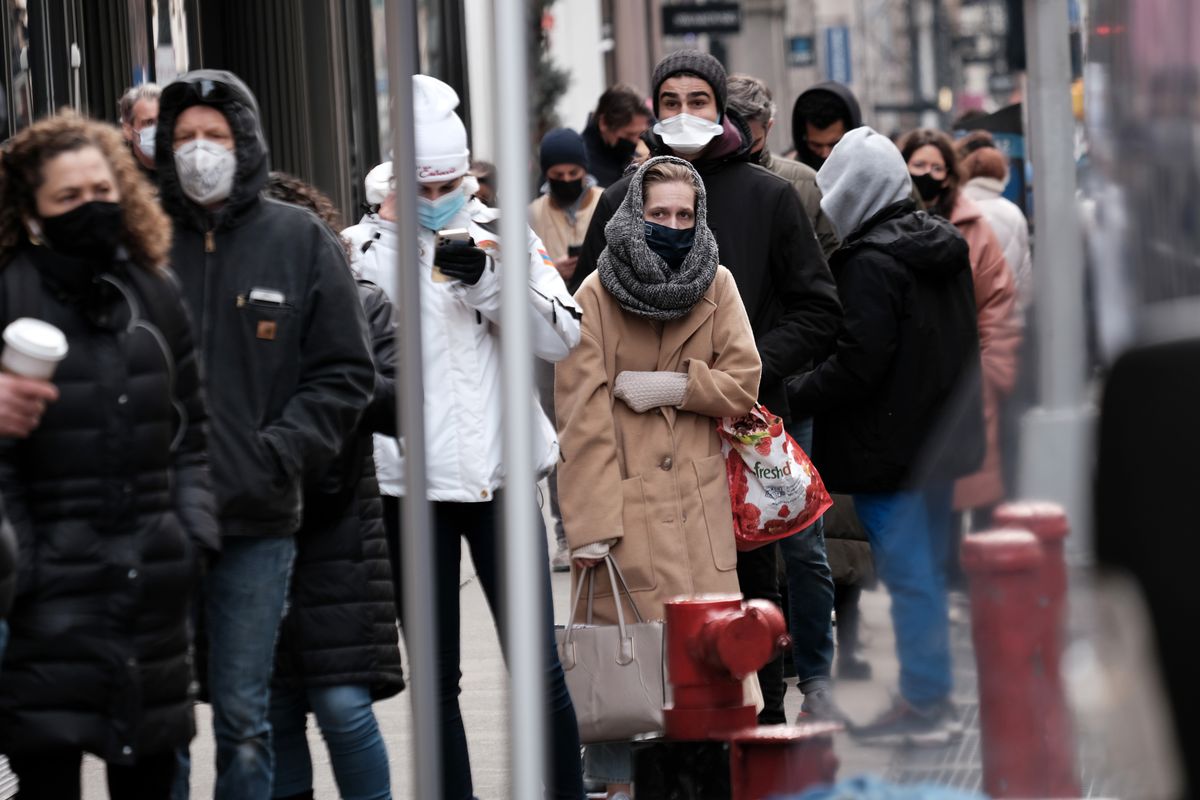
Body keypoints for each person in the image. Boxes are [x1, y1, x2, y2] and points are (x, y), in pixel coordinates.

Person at [574, 49, 842, 724]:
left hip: (748, 427)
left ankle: (767, 717)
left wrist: (738, 373)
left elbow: (819, 309)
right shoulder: (619, 200)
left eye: (699, 100)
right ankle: (670, 734)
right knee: (658, 609)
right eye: (670, 101)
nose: (685, 113)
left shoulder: (770, 193)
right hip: (646, 451)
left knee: (763, 581)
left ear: (721, 109)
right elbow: (576, 324)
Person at [155, 70, 376, 799]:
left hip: (257, 519)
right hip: (155, 520)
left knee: (245, 717)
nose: (198, 151)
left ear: (244, 143)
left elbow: (344, 373)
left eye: (213, 136)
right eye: (184, 136)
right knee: (161, 722)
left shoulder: (299, 239)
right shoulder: (141, 243)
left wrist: (278, 452)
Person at [0, 112, 220, 797]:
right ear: (31, 212)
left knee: (151, 774)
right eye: (68, 198)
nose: (90, 208)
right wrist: (22, 564)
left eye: (101, 190)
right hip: (44, 596)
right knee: (46, 776)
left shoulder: (154, 290)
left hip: (148, 588)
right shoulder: (9, 290)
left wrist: (189, 536)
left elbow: (193, 430)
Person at [398, 73, 584, 800]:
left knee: (538, 668)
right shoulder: (366, 247)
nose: (440, 193)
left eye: (452, 180)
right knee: (435, 681)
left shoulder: (506, 233)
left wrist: (488, 281)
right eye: (426, 182)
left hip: (503, 479)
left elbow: (562, 336)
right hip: (412, 486)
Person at [557, 155, 761, 799]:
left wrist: (676, 386)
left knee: (705, 681)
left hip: (697, 509)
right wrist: (589, 526)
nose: (672, 225)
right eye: (658, 214)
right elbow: (581, 417)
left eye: (683, 214)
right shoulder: (594, 292)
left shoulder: (716, 282)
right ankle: (620, 789)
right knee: (628, 688)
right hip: (626, 512)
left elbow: (744, 382)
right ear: (631, 217)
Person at [787, 126, 984, 744]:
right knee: (926, 570)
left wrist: (795, 391)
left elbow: (857, 364)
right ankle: (931, 693)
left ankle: (927, 704)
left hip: (884, 446)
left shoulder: (870, 262)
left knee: (907, 573)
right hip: (939, 441)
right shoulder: (943, 244)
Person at [263, 173, 403, 800]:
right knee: (275, 709)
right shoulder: (239, 309)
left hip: (340, 524)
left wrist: (328, 365)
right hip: (256, 517)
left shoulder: (365, 303)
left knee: (343, 705)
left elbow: (399, 403)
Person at [723, 69, 846, 716]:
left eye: (747, 123)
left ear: (766, 127)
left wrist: (787, 367)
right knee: (740, 543)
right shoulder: (695, 181)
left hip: (780, 395)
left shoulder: (796, 185)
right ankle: (760, 678)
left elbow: (826, 284)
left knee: (798, 535)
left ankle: (815, 675)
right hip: (723, 395)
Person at [899, 129, 1020, 532]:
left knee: (961, 493)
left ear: (951, 174)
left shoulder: (974, 227)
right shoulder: (888, 223)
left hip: (967, 382)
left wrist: (989, 375)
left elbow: (998, 304)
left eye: (938, 167)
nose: (929, 175)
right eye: (920, 166)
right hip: (908, 384)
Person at [726, 74, 838, 257]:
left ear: (768, 127)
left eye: (752, 143)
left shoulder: (807, 184)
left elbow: (829, 263)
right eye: (736, 142)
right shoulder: (702, 181)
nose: (742, 151)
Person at [956, 130, 1033, 316]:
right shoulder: (1013, 212)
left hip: (969, 315)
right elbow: (1025, 270)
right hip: (1008, 312)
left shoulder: (957, 210)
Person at [581, 84, 653, 188]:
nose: (636, 141)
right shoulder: (582, 164)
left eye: (641, 133)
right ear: (604, 123)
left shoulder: (629, 157)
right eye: (629, 134)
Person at [790, 81, 862, 171]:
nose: (825, 154)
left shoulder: (875, 166)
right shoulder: (791, 175)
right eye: (816, 145)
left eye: (835, 144)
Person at [118, 82, 161, 176]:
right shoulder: (118, 176)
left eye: (163, 120)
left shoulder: (184, 168)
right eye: (149, 123)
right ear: (128, 130)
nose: (159, 129)